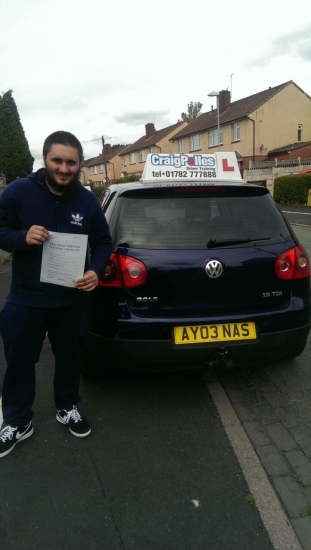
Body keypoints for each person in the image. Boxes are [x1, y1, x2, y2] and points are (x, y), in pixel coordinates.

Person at [0, 131, 112, 458]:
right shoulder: (19, 192)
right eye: (57, 160)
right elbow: (1, 231)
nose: (64, 168)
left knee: (69, 358)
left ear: (79, 165)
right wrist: (22, 237)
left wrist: (96, 269)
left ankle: (67, 406)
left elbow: (103, 242)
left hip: (71, 299)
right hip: (26, 298)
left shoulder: (88, 201)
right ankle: (18, 421)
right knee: (19, 361)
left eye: (71, 162)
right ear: (45, 159)